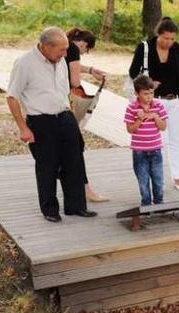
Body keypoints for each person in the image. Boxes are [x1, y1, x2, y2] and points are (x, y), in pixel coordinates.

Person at [6, 27, 97, 222]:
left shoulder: (60, 60)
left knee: (74, 162)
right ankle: (50, 210)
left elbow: (64, 91)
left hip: (65, 116)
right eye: (61, 50)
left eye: (66, 50)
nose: (65, 54)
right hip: (41, 121)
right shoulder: (24, 63)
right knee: (47, 166)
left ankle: (76, 207)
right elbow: (12, 97)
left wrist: (71, 117)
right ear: (46, 46)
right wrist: (23, 128)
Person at [128, 17, 179, 192]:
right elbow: (133, 72)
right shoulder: (145, 47)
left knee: (175, 139)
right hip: (154, 101)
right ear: (158, 35)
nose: (169, 42)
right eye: (166, 38)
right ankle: (158, 177)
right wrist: (148, 82)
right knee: (158, 141)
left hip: (175, 100)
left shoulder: (177, 49)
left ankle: (177, 176)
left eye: (172, 39)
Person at [65, 27, 109, 203]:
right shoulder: (73, 49)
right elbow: (75, 81)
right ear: (83, 44)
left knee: (70, 148)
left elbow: (71, 65)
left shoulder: (61, 48)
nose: (84, 52)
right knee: (76, 146)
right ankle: (85, 189)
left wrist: (90, 70)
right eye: (87, 49)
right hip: (64, 105)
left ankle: (82, 188)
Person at [124, 75, 168, 206]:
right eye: (145, 94)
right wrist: (139, 119)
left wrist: (155, 117)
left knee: (158, 179)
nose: (149, 97)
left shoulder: (158, 106)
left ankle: (159, 203)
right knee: (143, 181)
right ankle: (146, 204)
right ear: (137, 93)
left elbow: (163, 127)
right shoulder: (132, 108)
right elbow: (130, 130)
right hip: (139, 152)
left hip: (155, 150)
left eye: (151, 93)